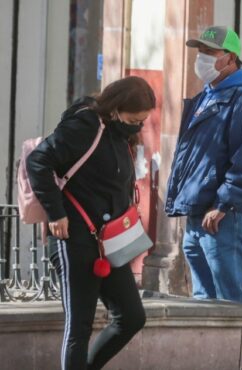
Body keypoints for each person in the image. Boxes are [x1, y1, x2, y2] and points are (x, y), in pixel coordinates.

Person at [26, 76, 155, 369]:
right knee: (80, 326)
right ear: (116, 108)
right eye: (135, 119)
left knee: (132, 317)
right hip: (75, 239)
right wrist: (56, 213)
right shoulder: (85, 125)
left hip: (109, 241)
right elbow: (38, 161)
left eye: (143, 121)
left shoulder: (118, 133)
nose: (139, 126)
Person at [165, 26, 242, 369]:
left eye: (210, 53)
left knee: (232, 303)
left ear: (230, 58)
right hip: (198, 213)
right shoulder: (205, 97)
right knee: (205, 304)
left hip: (223, 216)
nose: (203, 59)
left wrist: (224, 203)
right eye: (200, 51)